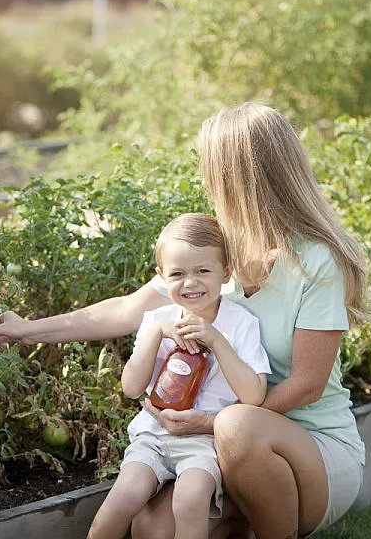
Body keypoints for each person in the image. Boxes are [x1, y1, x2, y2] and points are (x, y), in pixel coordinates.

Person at [0, 102, 371, 538]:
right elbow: (127, 310)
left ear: (237, 175)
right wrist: (25, 329)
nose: (205, 178)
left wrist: (212, 422)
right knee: (152, 528)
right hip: (215, 447)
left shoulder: (315, 261)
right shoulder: (214, 256)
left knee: (237, 426)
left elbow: (307, 384)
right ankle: (236, 518)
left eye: (210, 167)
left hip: (310, 454)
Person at [88, 213, 271, 539]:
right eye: (177, 274)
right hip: (153, 434)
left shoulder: (240, 323)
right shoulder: (158, 319)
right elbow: (131, 388)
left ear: (225, 273)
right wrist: (158, 333)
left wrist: (215, 339)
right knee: (126, 494)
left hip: (205, 441)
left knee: (190, 499)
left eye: (203, 271)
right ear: (161, 276)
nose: (190, 282)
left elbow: (254, 395)